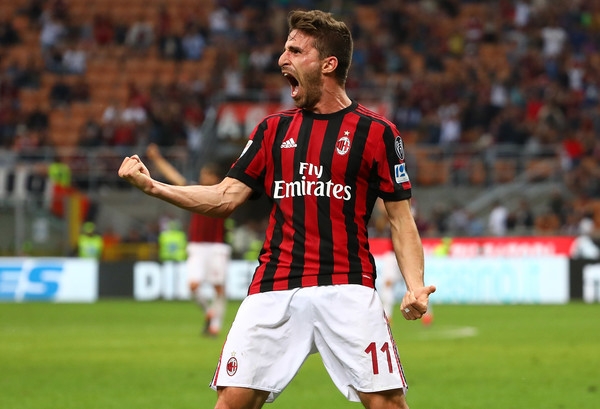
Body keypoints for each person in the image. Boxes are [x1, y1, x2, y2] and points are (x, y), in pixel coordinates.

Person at [119, 10, 435, 409]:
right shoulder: (272, 130)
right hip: (275, 285)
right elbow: (224, 197)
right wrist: (153, 186)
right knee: (232, 402)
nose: (282, 58)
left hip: (347, 286)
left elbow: (401, 220)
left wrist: (414, 285)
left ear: (328, 64)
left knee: (387, 403)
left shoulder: (377, 133)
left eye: (295, 51)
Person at [146, 143, 232, 337]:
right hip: (197, 246)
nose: (203, 178)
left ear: (216, 178)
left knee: (218, 287)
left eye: (207, 175)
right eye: (203, 174)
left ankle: (215, 326)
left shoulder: (223, 193)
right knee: (193, 286)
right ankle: (209, 312)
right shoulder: (195, 189)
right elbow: (174, 178)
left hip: (217, 246)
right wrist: (157, 158)